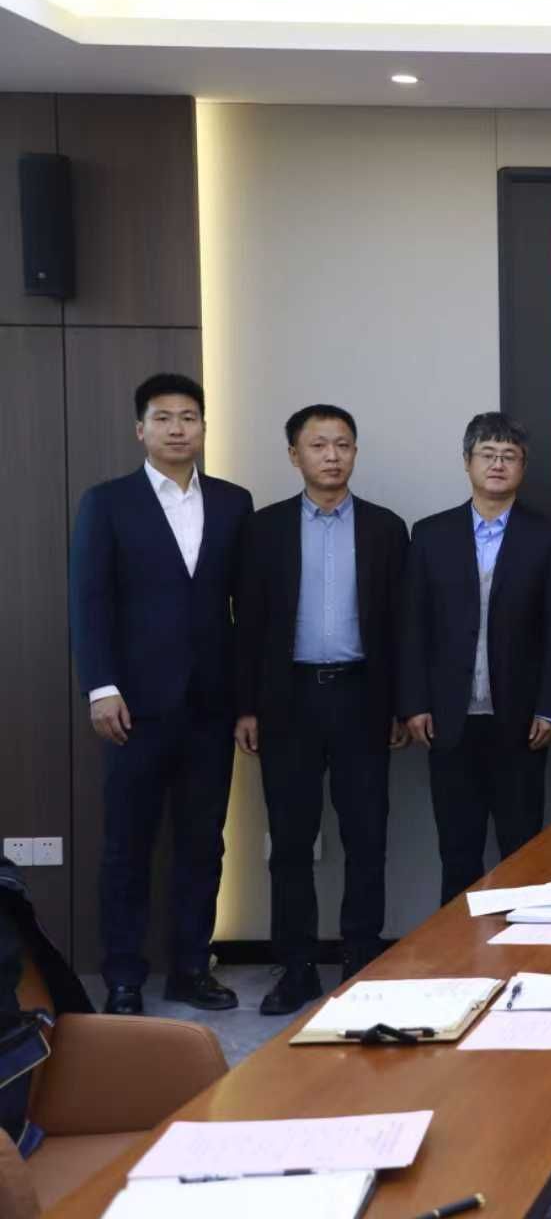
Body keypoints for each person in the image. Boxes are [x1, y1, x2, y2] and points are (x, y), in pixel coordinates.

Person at [69, 372, 253, 1014]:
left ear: (203, 427)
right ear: (140, 429)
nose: (178, 429)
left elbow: (247, 608)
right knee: (128, 845)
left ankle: (190, 969)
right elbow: (89, 602)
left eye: (189, 417)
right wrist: (101, 687)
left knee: (204, 844)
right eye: (164, 418)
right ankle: (123, 976)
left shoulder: (233, 502)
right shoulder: (108, 502)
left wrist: (246, 702)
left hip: (210, 706)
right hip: (134, 708)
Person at [233, 404, 410, 1013]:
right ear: (295, 455)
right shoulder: (264, 529)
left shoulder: (386, 528)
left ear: (355, 452)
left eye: (343, 444)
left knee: (367, 836)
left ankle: (361, 959)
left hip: (363, 697)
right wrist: (247, 707)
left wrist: (401, 705)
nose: (332, 455)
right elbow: (247, 626)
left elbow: (402, 626)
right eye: (318, 445)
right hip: (288, 700)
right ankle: (296, 968)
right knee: (290, 841)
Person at [401, 412, 551, 904]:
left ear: (523, 467)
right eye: (487, 454)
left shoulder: (549, 538)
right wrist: (415, 703)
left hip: (520, 720)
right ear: (467, 462)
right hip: (448, 719)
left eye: (509, 456)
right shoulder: (430, 534)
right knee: (458, 850)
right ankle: (456, 946)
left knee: (523, 848)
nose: (498, 464)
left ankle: (521, 941)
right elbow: (413, 625)